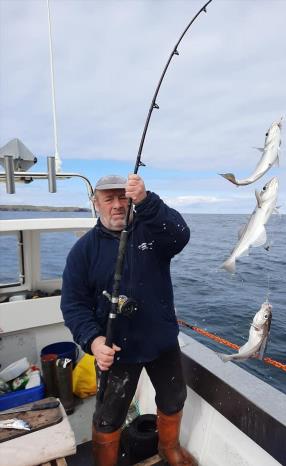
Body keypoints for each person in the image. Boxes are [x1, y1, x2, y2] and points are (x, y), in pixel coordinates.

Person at [61, 174, 197, 466]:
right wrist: (94, 341)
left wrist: (148, 202)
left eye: (122, 197)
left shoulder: (152, 232)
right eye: (108, 199)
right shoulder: (83, 251)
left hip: (161, 340)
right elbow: (73, 305)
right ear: (96, 204)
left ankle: (168, 448)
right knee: (109, 417)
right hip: (116, 349)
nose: (117, 205)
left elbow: (180, 235)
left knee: (174, 399)